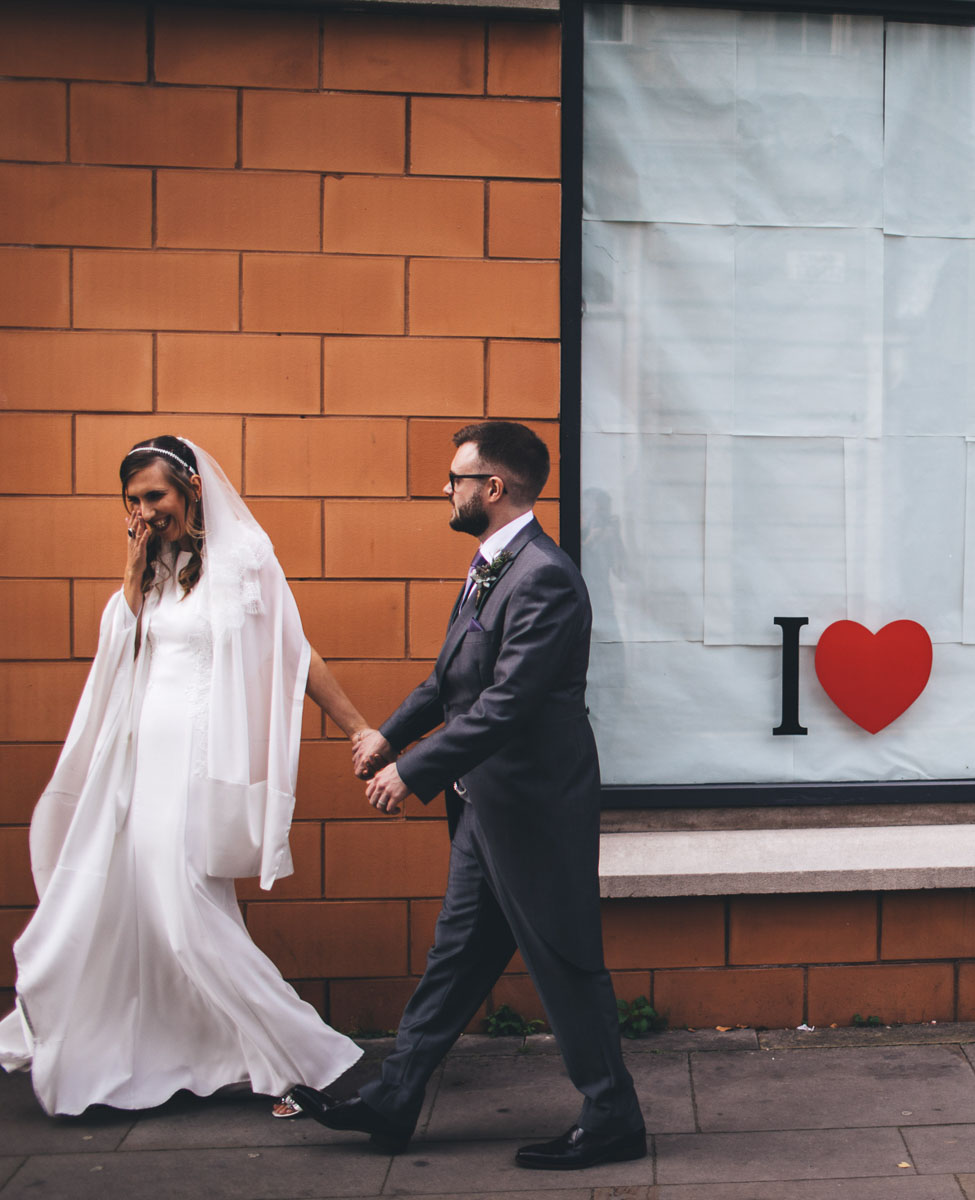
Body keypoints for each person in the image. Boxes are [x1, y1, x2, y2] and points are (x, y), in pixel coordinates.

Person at [290, 421, 646, 1170]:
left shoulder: (542, 574)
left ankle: (613, 1117)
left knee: (566, 962)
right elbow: (451, 680)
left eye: (457, 478)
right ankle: (393, 1100)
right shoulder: (493, 566)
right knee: (454, 960)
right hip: (487, 808)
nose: (446, 490)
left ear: (494, 487)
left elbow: (508, 703)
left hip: (535, 811)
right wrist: (390, 734)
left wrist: (410, 771)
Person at [0, 437, 369, 1117]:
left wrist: (357, 727)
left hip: (199, 763)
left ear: (192, 487)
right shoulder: (154, 567)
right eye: (133, 501)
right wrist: (134, 567)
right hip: (141, 764)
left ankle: (308, 1060)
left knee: (185, 916)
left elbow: (293, 649)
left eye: (155, 496)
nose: (144, 511)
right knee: (139, 909)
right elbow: (125, 652)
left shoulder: (244, 559)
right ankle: (205, 1054)